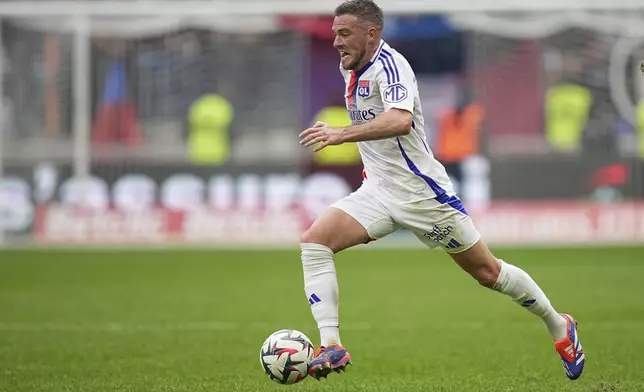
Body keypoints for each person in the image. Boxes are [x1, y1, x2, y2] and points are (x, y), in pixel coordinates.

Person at [298, 0, 585, 382]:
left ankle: (558, 324)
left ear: (372, 34)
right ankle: (331, 344)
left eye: (344, 33)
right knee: (315, 242)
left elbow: (400, 121)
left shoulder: (392, 66)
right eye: (334, 33)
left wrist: (340, 134)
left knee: (488, 272)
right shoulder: (349, 64)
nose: (336, 42)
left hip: (422, 196)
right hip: (379, 192)